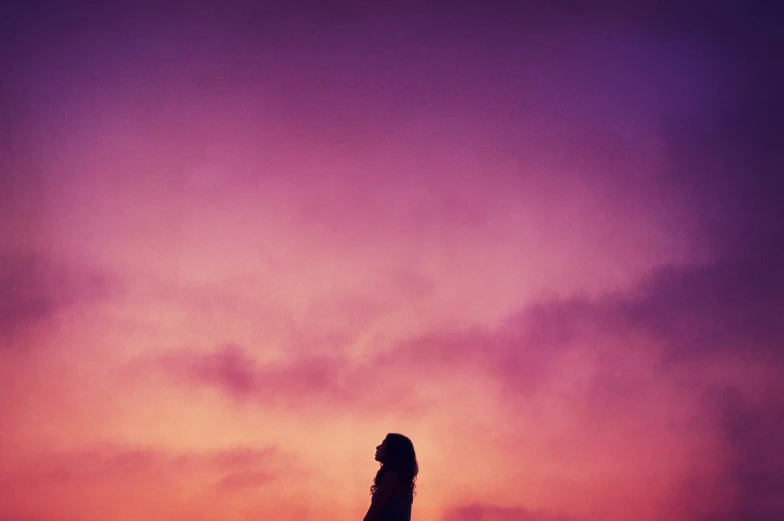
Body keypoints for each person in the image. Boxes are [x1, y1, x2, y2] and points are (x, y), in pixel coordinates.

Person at [363, 433, 418, 521]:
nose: (377, 447)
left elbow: (372, 515)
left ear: (393, 450)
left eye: (383, 444)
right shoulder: (403, 480)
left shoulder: (392, 477)